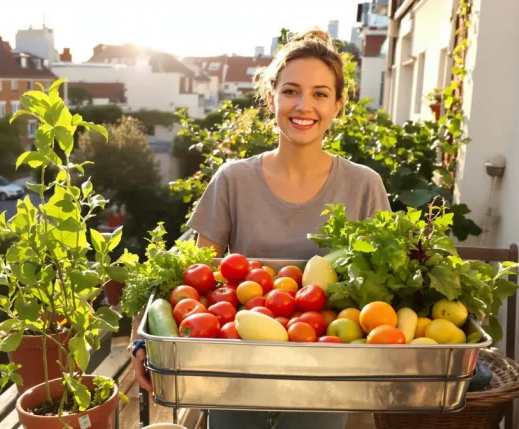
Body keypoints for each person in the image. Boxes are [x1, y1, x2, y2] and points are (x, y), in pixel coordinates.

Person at [129, 29, 391, 429]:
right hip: (237, 372)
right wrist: (142, 338)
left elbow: (380, 287)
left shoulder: (364, 185)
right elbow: (193, 282)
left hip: (326, 377)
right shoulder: (233, 180)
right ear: (272, 99)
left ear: (338, 104)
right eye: (291, 91)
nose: (304, 105)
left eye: (320, 94)